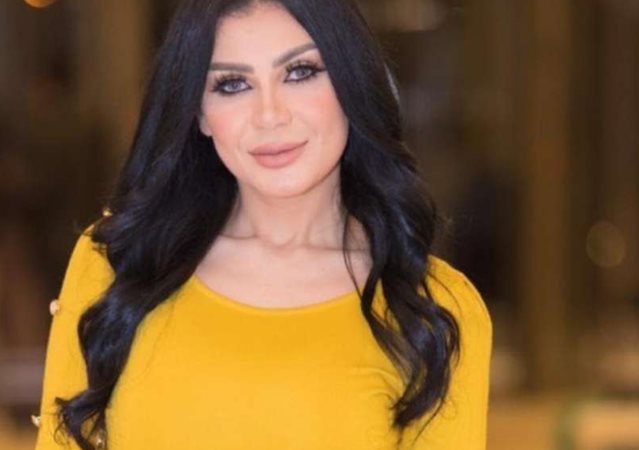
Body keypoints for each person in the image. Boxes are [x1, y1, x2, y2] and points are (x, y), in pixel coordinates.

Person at [34, 0, 492, 449]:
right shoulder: (120, 264)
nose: (270, 115)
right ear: (200, 114)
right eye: (232, 84)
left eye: (300, 72)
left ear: (350, 84)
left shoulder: (433, 312)